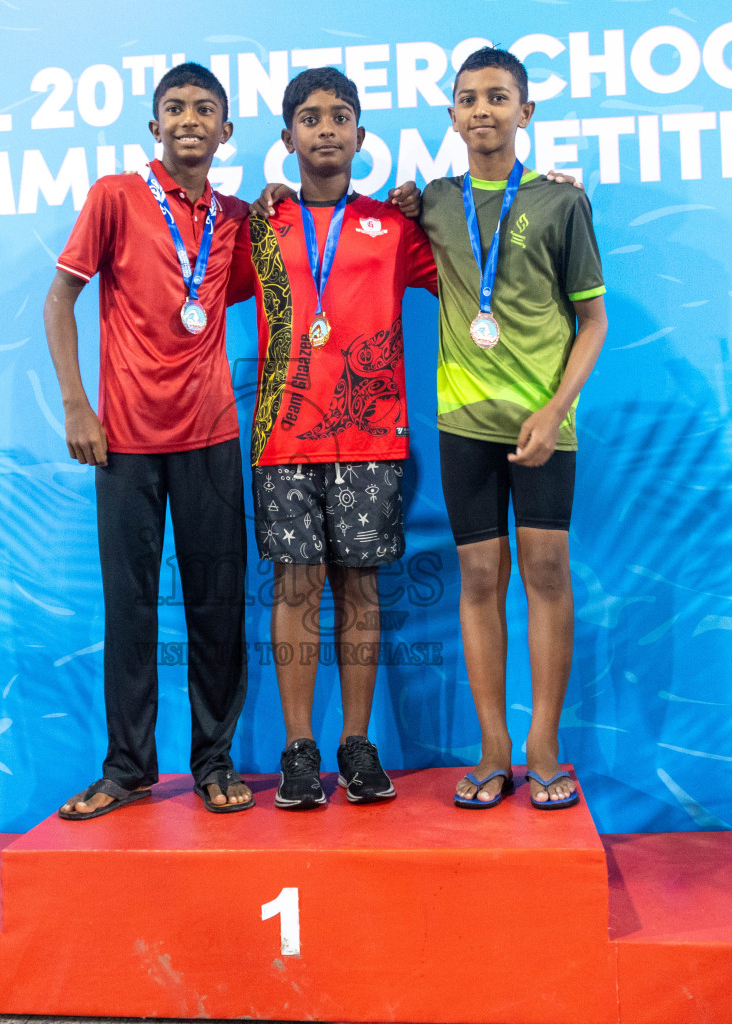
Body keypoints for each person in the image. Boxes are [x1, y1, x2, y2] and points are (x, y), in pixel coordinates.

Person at [43, 63, 256, 819]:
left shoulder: (237, 221)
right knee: (130, 608)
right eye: (175, 107)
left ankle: (214, 761)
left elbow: (301, 255)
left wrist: (286, 205)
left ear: (226, 131)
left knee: (217, 605)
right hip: (125, 439)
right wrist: (77, 404)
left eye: (205, 109)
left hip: (211, 437)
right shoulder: (115, 197)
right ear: (154, 125)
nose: (189, 119)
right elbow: (61, 298)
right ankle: (127, 768)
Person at [411, 46, 608, 810]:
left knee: (548, 576)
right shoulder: (428, 202)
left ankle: (545, 748)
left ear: (526, 112)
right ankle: (494, 749)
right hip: (463, 421)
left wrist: (555, 409)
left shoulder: (561, 204)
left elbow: (592, 322)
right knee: (481, 581)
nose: (483, 109)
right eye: (469, 98)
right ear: (453, 116)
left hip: (541, 424)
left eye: (499, 97)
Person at [240, 68, 437, 809]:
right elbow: (195, 280)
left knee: (360, 588)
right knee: (296, 589)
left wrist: (434, 205)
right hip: (282, 437)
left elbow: (468, 267)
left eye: (341, 117)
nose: (326, 129)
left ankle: (357, 746)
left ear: (361, 136)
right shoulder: (260, 226)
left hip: (372, 438)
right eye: (311, 118)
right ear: (287, 137)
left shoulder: (394, 229)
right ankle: (299, 750)